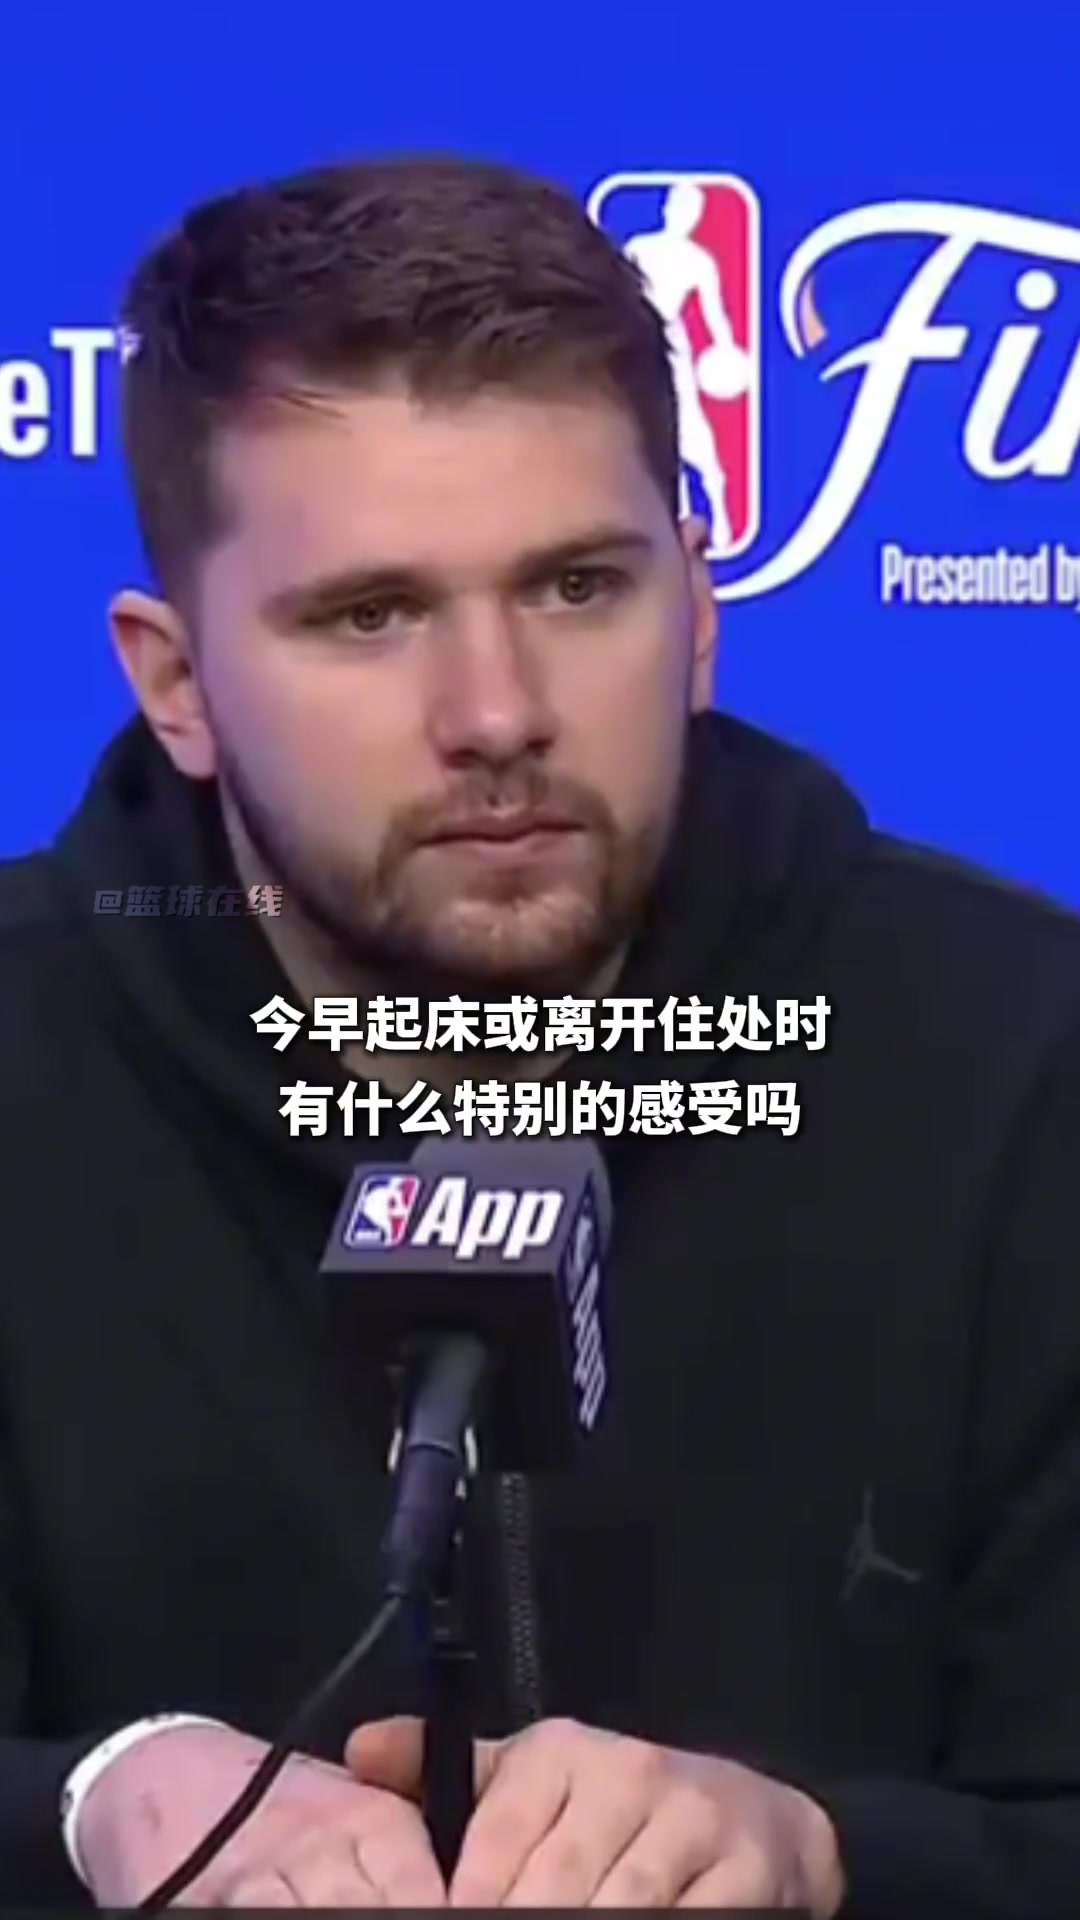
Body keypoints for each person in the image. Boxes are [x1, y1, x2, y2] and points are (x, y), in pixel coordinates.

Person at [0, 152, 1078, 1916]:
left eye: (578, 588)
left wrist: (829, 1862)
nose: (496, 713)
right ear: (175, 681)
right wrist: (88, 1804)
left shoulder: (1028, 1060)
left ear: (700, 609)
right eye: (370, 615)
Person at [623, 180, 752, 548]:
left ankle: (722, 520)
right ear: (667, 210)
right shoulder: (640, 247)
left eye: (692, 210)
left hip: (673, 349)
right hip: (633, 346)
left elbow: (715, 313)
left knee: (693, 430)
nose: (685, 216)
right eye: (680, 207)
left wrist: (726, 346)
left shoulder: (700, 261)